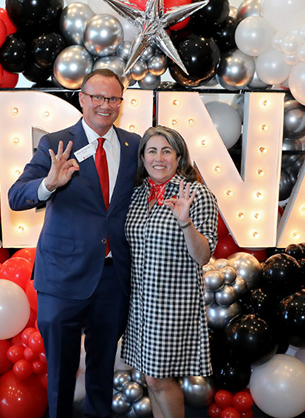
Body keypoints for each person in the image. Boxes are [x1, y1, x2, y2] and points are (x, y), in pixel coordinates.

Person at [8, 69, 140, 418]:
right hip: (63, 276)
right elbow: (16, 196)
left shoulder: (134, 146)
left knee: (101, 370)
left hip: (113, 277)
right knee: (61, 372)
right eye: (97, 97)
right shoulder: (55, 143)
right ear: (81, 99)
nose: (104, 105)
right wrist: (48, 184)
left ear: (120, 104)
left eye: (112, 98)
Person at [122, 126, 218, 418]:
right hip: (139, 303)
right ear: (143, 157)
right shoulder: (137, 195)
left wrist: (185, 222)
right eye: (152, 151)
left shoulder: (196, 194)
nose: (159, 158)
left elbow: (203, 257)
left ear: (179, 157)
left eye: (167, 151)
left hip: (172, 303)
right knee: (150, 378)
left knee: (158, 378)